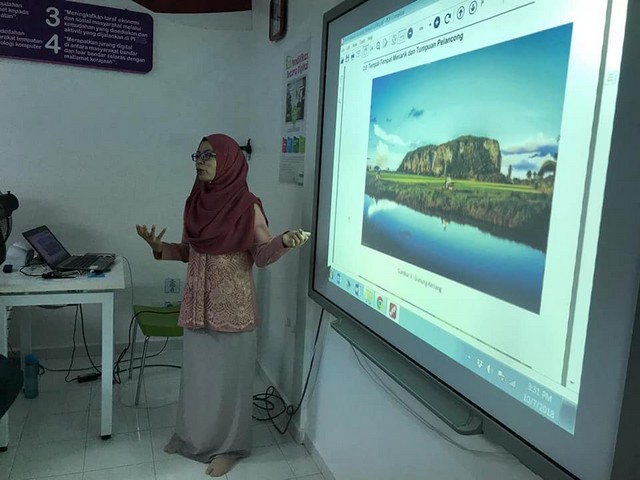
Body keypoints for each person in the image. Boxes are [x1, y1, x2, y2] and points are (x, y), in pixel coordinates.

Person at [135, 133, 310, 477]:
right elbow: (188, 252)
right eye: (197, 155)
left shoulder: (247, 206)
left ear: (229, 161)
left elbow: (262, 255)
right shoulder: (195, 203)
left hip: (232, 309)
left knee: (229, 383)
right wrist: (159, 247)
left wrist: (284, 241)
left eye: (208, 155)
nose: (200, 162)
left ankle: (229, 448)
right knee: (198, 380)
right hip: (197, 306)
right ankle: (191, 439)